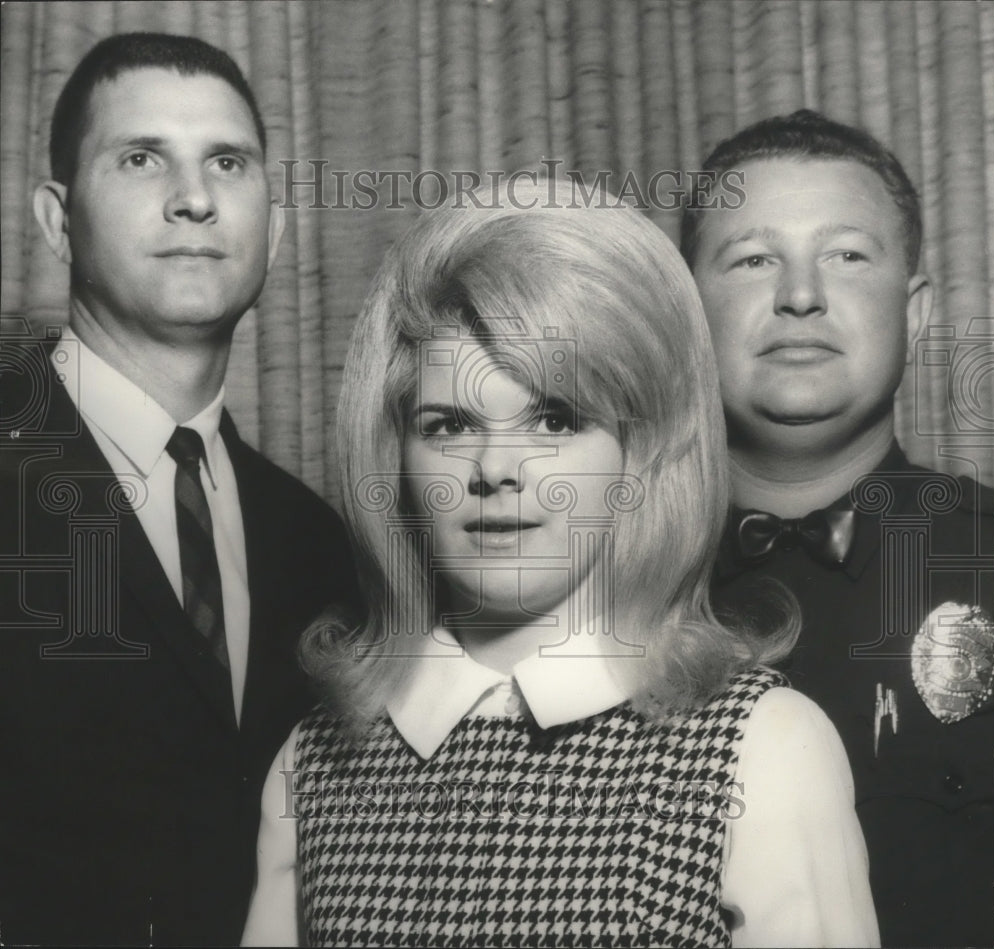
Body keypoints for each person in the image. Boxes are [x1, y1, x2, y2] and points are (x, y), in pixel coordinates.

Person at [241, 179, 878, 947]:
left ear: (639, 456)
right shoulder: (312, 763)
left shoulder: (763, 747)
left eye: (554, 417)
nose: (495, 468)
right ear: (396, 462)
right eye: (448, 424)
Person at [0, 33, 358, 946]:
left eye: (227, 163)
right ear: (56, 219)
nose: (194, 198)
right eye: (140, 158)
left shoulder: (318, 543)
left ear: (274, 229)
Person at [681, 109, 994, 948]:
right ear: (683, 313)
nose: (800, 294)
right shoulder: (589, 594)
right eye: (753, 259)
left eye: (847, 255)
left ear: (917, 312)